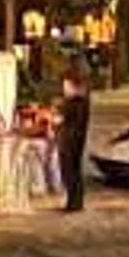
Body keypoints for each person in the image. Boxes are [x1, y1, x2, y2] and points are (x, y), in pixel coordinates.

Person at [55, 66, 93, 213]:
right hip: (76, 138)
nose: (64, 88)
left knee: (70, 170)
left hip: (70, 139)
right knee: (75, 170)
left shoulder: (75, 102)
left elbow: (65, 121)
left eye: (65, 84)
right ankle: (75, 202)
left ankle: (73, 202)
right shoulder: (82, 101)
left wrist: (56, 120)